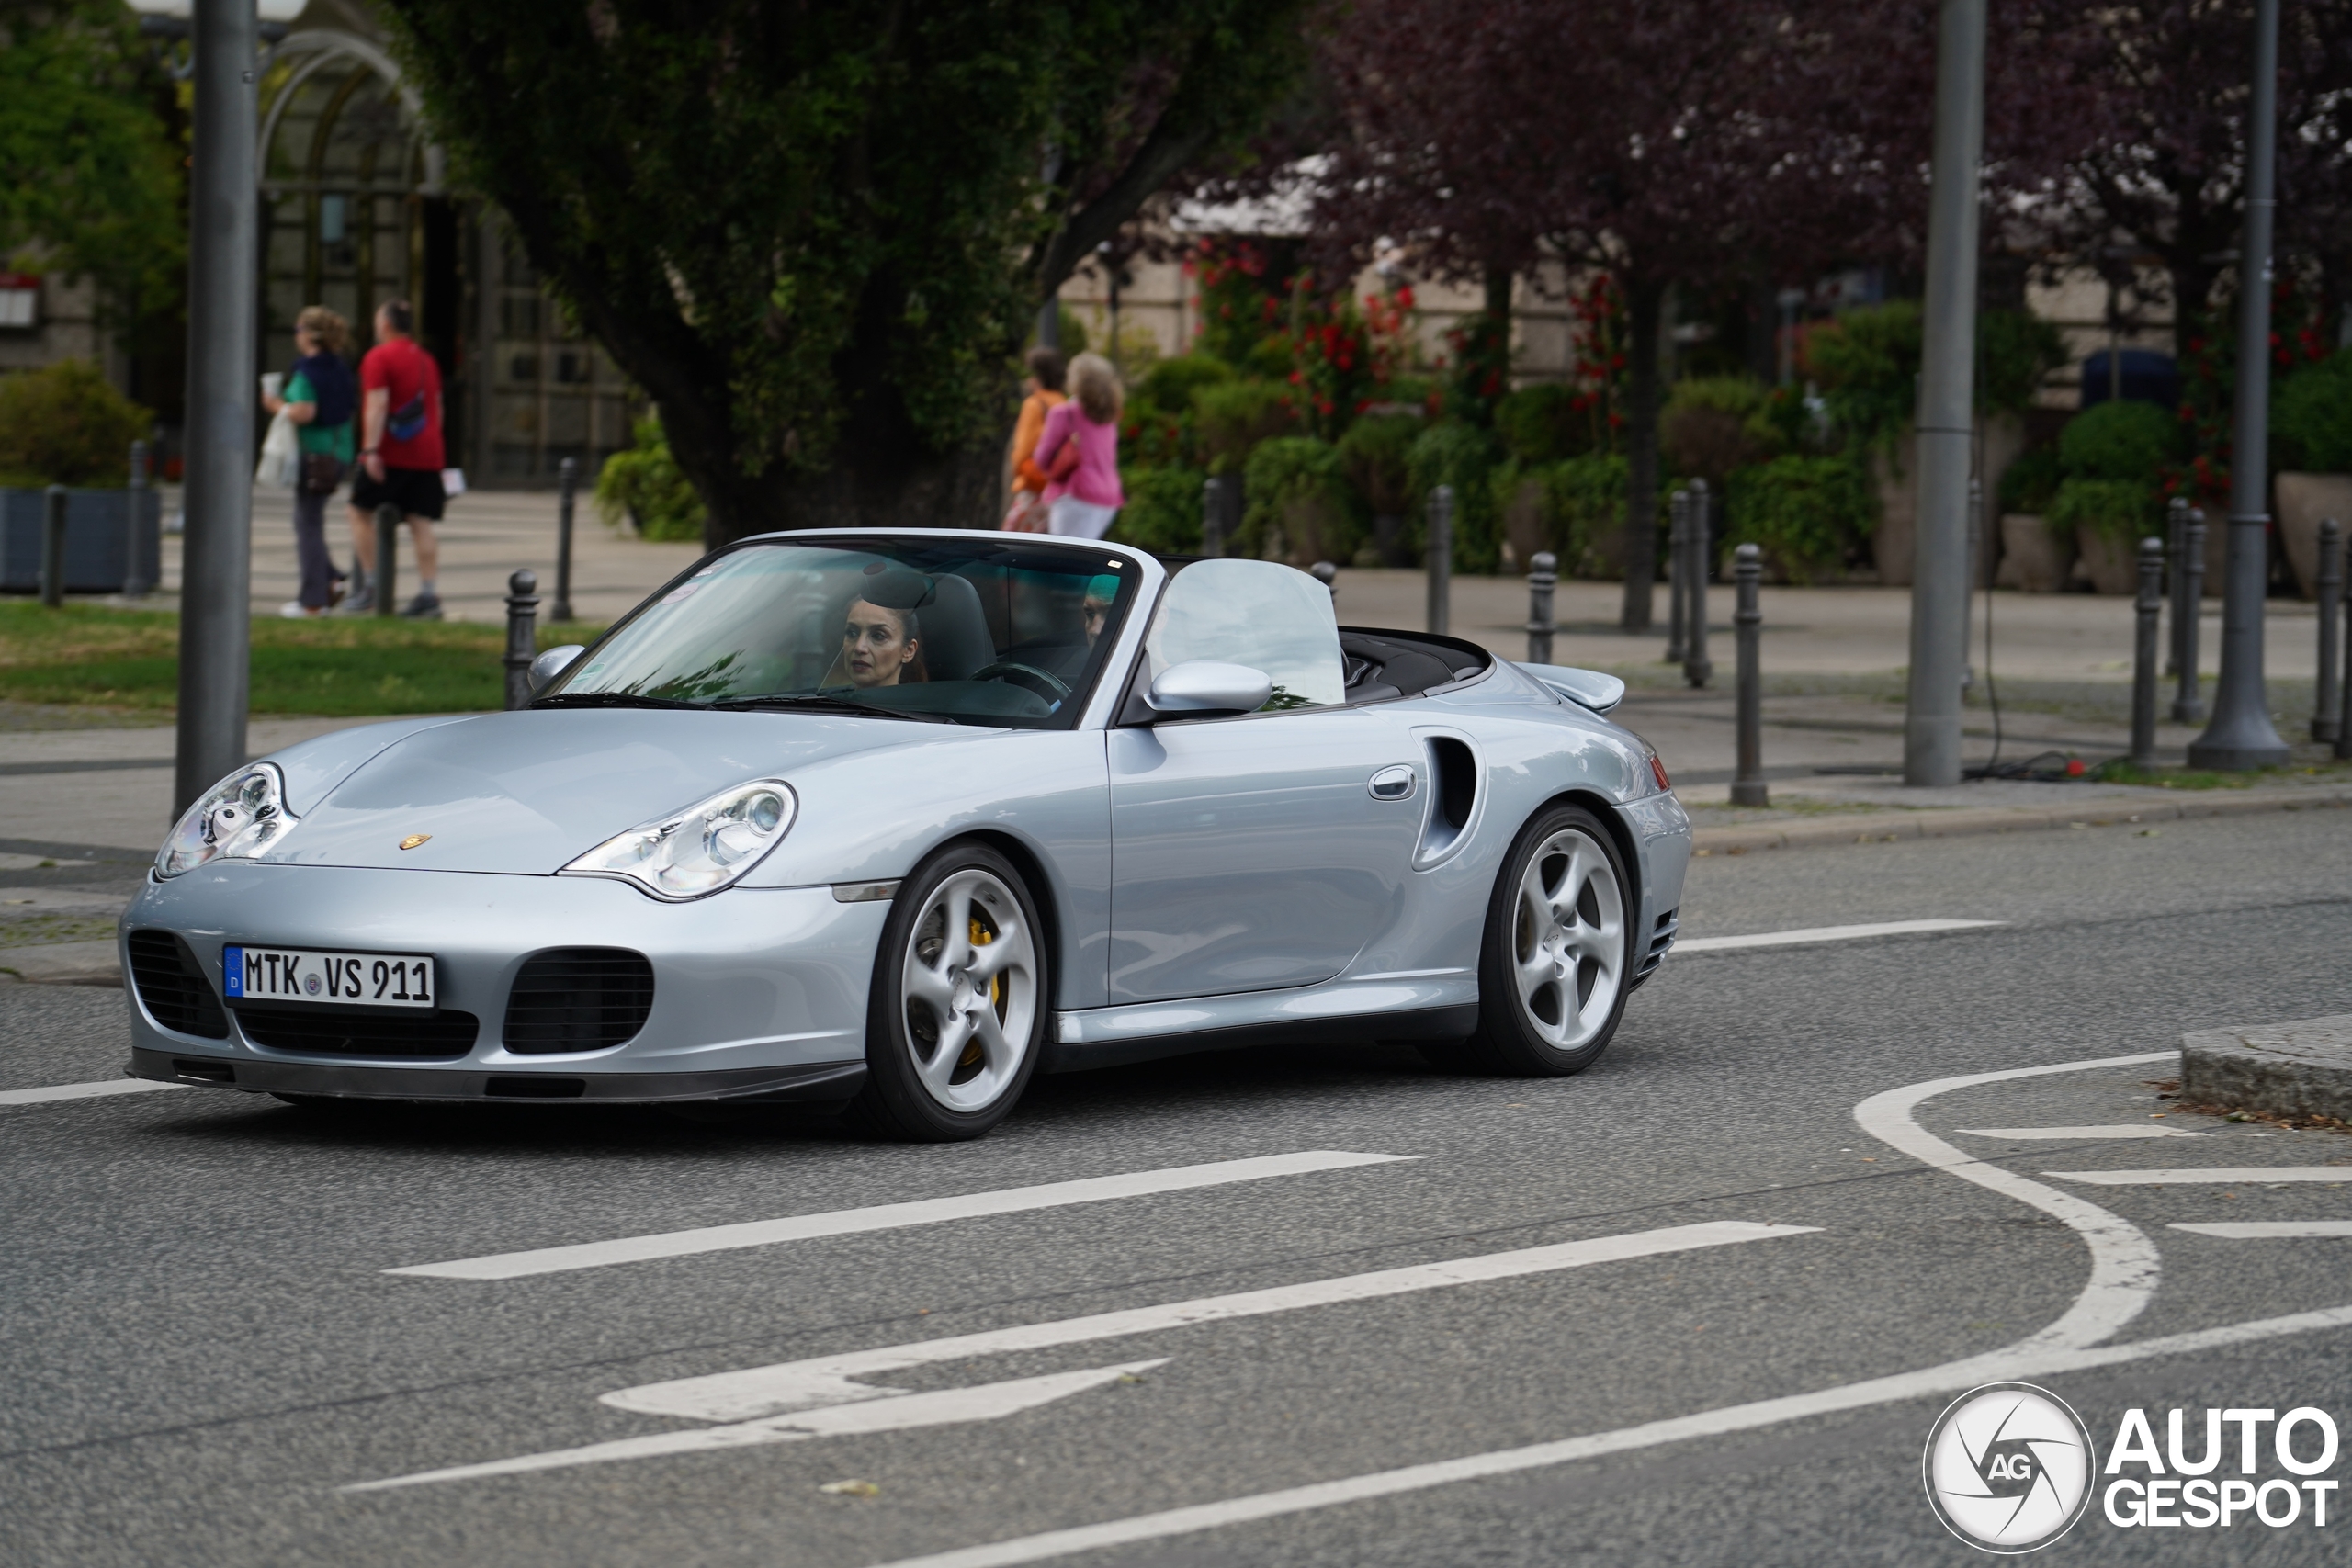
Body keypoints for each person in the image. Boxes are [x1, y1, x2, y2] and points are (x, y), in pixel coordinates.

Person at [348, 299, 447, 617]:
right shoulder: (425, 359)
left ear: (387, 325)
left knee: (358, 511)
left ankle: (371, 587)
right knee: (421, 522)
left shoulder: (378, 357)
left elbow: (376, 404)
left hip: (391, 453)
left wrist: (370, 451)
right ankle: (428, 594)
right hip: (428, 451)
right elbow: (438, 407)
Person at [261, 307, 356, 616]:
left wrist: (277, 405)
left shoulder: (307, 372)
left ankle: (312, 600)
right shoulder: (341, 369)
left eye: (298, 329)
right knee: (309, 519)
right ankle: (331, 579)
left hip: (314, 456)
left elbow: (305, 412)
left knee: (307, 524)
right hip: (339, 454)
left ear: (308, 334)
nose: (296, 336)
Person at [1031, 352, 1124, 540]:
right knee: (1086, 558)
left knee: (1065, 560)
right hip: (1109, 498)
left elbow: (1042, 459)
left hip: (1075, 496)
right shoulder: (1109, 417)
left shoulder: (1064, 413)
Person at [1002, 346, 1066, 532]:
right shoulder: (1064, 402)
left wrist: (1017, 469)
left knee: (1010, 548)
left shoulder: (1034, 404)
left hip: (1034, 488)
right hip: (1057, 491)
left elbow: (1023, 450)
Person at [839, 600, 926, 688]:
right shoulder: (829, 697)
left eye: (878, 636)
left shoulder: (916, 702)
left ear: (908, 651)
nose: (859, 647)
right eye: (852, 633)